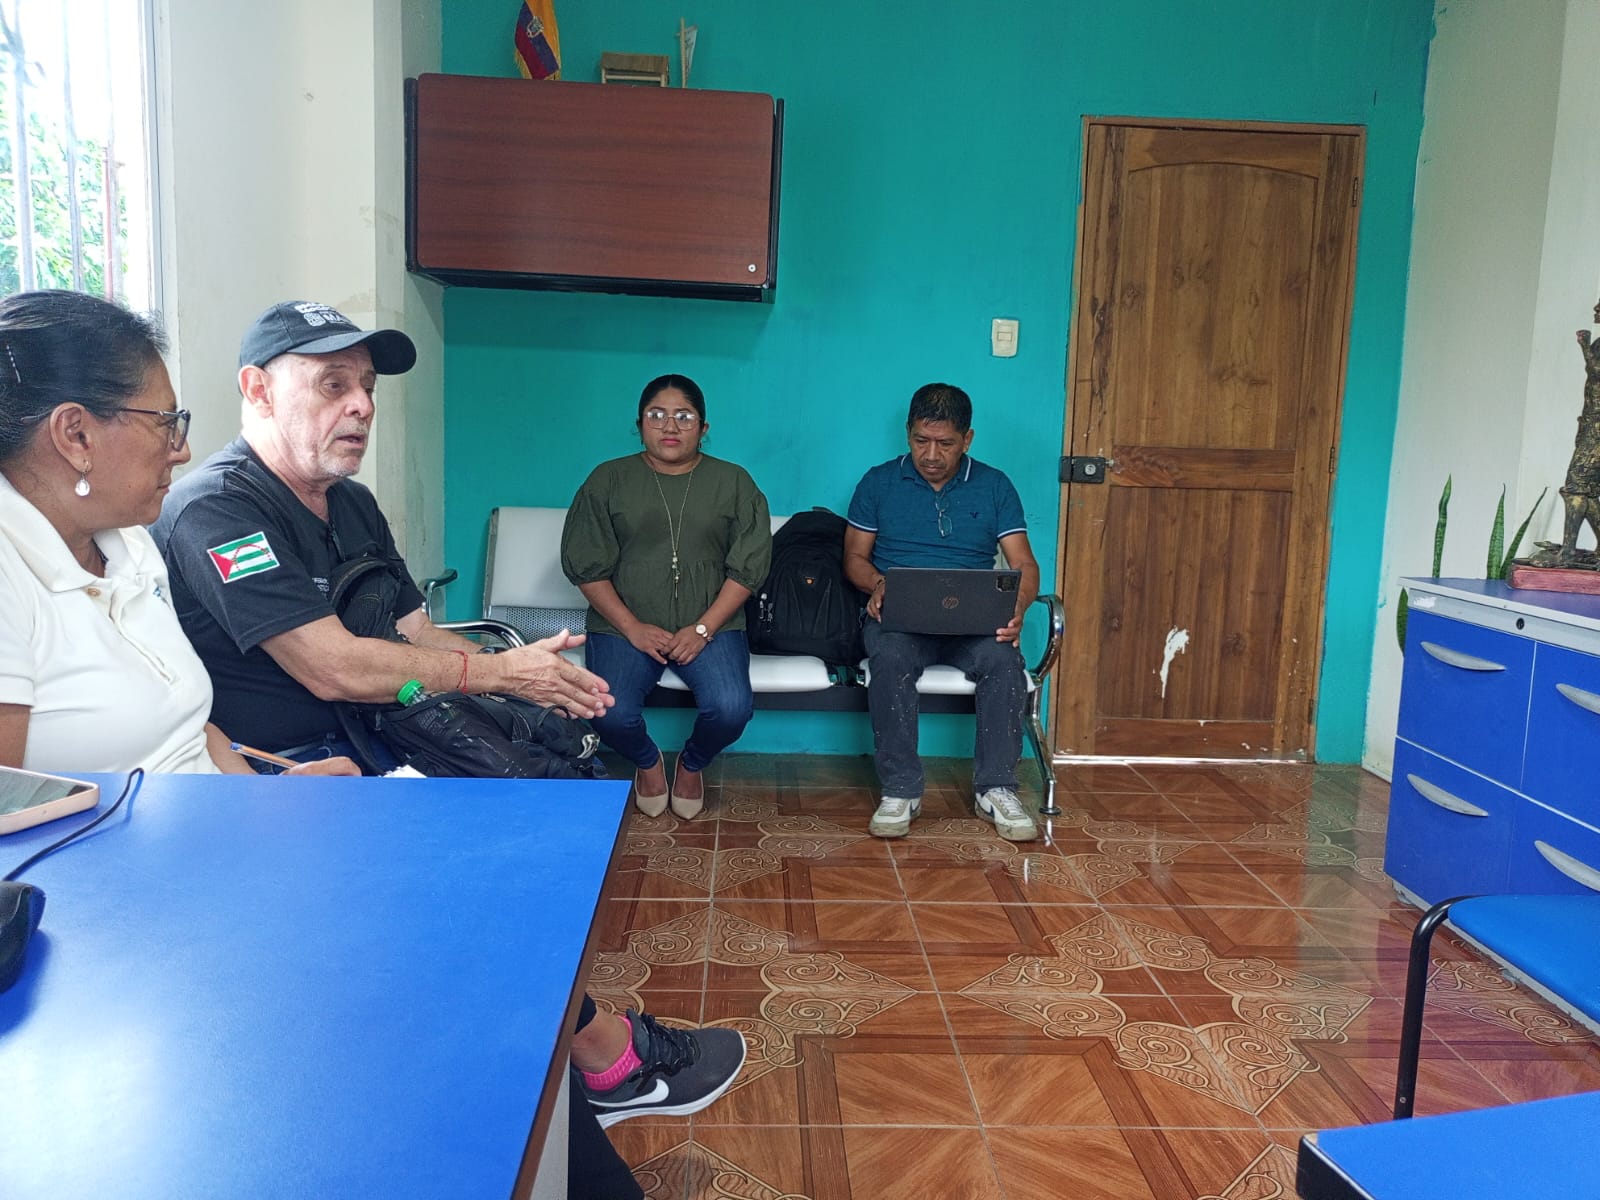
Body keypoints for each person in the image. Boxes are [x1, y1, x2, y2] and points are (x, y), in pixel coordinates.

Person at [151, 302, 743, 1198]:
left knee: (535, 849)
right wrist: (500, 673)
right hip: (292, 789)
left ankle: (598, 1062)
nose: (360, 406)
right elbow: (330, 666)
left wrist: (517, 683)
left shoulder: (352, 504)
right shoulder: (218, 511)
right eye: (332, 384)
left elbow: (415, 635)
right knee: (483, 939)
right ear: (257, 390)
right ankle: (602, 1066)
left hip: (385, 752)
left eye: (366, 387)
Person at [0, 289, 354, 778]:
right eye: (166, 423)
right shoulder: (10, 575)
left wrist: (266, 799)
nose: (181, 451)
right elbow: (13, 814)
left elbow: (190, 729)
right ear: (76, 435)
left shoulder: (128, 542)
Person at [561, 374, 771, 820]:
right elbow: (587, 566)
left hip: (712, 624)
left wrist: (703, 628)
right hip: (625, 623)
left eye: (684, 416)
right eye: (657, 415)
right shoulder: (607, 479)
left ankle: (692, 765)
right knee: (607, 712)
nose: (670, 426)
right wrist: (632, 628)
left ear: (704, 427)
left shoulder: (734, 482)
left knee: (732, 709)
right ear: (639, 424)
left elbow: (749, 567)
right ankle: (648, 761)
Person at [843, 382, 1042, 842]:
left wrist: (1016, 606)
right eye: (921, 440)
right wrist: (879, 584)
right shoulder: (878, 482)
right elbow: (853, 558)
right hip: (900, 620)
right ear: (908, 432)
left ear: (967, 439)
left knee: (1004, 661)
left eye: (945, 443)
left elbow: (1024, 564)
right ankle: (900, 791)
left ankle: (996, 788)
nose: (931, 455)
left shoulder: (994, 485)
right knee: (890, 657)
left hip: (973, 624)